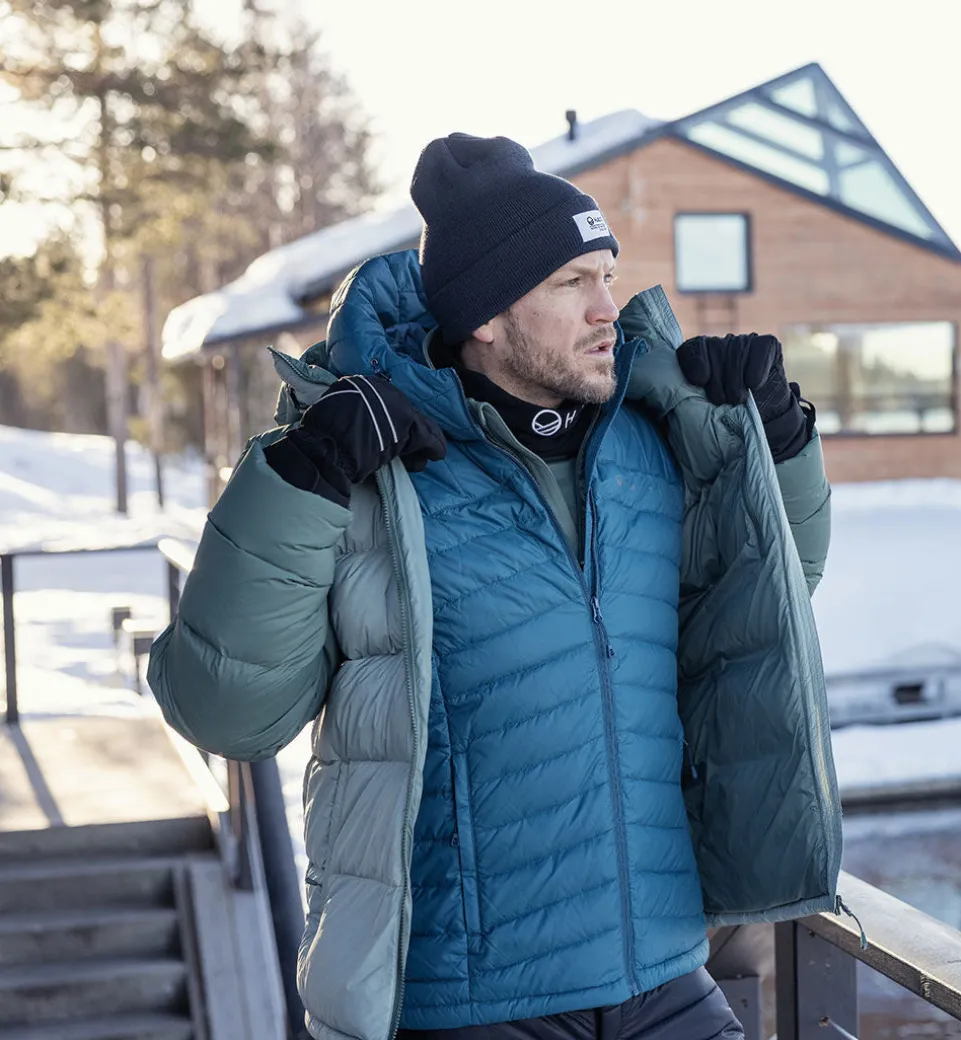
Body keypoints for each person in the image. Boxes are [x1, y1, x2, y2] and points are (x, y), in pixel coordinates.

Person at [148, 133, 842, 1040]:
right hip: (471, 998)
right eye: (571, 283)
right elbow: (227, 713)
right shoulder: (369, 471)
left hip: (666, 969)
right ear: (484, 316)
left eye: (607, 275)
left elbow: (778, 587)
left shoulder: (647, 441)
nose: (608, 308)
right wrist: (300, 478)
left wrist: (775, 440)